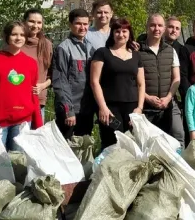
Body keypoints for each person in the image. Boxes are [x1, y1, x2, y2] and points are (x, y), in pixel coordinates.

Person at [0, 21, 42, 150]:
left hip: (23, 120)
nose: (18, 38)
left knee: (18, 161)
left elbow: (33, 93)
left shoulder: (31, 63)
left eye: (22, 34)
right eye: (14, 34)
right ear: (6, 37)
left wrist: (37, 120)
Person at [91, 17, 145, 150]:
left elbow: (141, 84)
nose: (121, 34)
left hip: (132, 108)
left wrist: (139, 108)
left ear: (129, 33)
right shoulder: (102, 53)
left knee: (131, 144)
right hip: (110, 108)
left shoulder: (136, 56)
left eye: (124, 31)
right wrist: (103, 107)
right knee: (112, 143)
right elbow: (94, 81)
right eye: (117, 31)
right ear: (112, 33)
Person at [139, 13, 185, 146]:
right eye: (153, 25)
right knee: (148, 143)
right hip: (146, 106)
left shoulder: (170, 51)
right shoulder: (137, 51)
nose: (156, 29)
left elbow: (176, 78)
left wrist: (168, 98)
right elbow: (133, 81)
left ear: (164, 29)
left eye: (160, 25)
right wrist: (147, 97)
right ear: (147, 27)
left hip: (168, 103)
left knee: (178, 137)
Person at [51, 9, 95, 139]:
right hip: (70, 110)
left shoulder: (90, 47)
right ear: (70, 25)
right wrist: (68, 110)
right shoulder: (64, 48)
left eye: (86, 24)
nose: (82, 27)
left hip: (86, 109)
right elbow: (60, 82)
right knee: (66, 149)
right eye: (78, 24)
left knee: (83, 146)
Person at [21, 8, 53, 122]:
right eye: (31, 21)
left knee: (36, 136)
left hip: (38, 100)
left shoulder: (47, 45)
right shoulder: (17, 42)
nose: (35, 25)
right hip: (17, 99)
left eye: (39, 22)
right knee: (18, 138)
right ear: (24, 22)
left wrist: (42, 85)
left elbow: (53, 74)